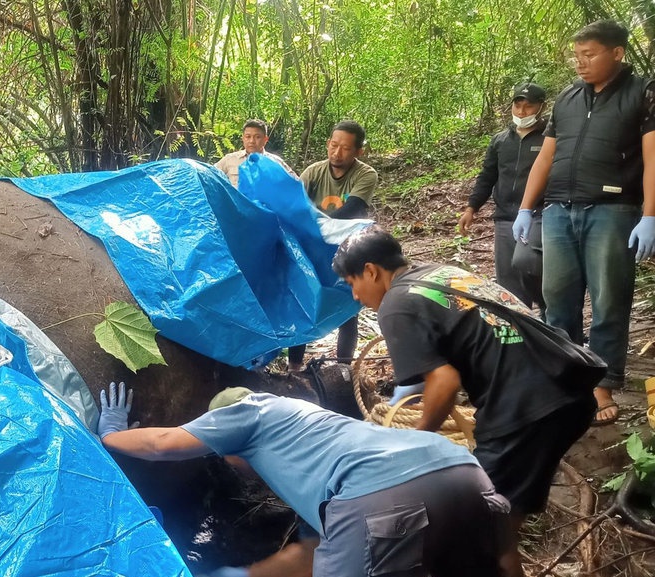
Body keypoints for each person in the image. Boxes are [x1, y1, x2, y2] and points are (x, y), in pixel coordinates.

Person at [332, 226, 598, 577]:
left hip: (526, 409)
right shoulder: (441, 272)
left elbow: (444, 381)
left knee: (475, 528)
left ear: (371, 271)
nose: (354, 295)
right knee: (499, 525)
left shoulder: (396, 304)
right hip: (570, 387)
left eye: (352, 283)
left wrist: (415, 441)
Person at [97, 382, 510, 577]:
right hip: (463, 472)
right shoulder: (315, 435)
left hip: (379, 496)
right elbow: (315, 551)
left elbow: (162, 444)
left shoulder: (249, 413)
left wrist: (110, 434)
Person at [512, 20, 655, 426]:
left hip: (612, 210)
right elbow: (546, 157)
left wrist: (650, 215)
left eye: (589, 54)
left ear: (617, 53)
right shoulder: (568, 98)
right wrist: (526, 207)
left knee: (609, 300)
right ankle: (566, 378)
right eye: (577, 56)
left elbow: (653, 157)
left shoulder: (642, 93)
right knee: (557, 299)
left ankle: (603, 383)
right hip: (558, 210)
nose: (581, 63)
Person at [289, 120, 378, 371]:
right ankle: (294, 368)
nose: (337, 153)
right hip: (312, 249)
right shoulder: (314, 172)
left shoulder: (365, 174)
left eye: (346, 148)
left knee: (348, 308)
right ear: (328, 144)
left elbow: (353, 208)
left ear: (359, 151)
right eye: (334, 145)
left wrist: (316, 227)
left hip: (348, 248)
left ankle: (342, 369)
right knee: (304, 303)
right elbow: (295, 204)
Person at [459, 83, 548, 313]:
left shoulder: (549, 138)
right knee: (508, 279)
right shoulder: (500, 140)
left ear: (541, 107)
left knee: (530, 264)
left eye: (529, 107)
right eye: (518, 105)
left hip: (538, 216)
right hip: (505, 217)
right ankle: (520, 324)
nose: (522, 112)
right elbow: (487, 175)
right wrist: (472, 207)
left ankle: (550, 314)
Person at [214, 119, 296, 187]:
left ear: (265, 140)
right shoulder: (230, 160)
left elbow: (296, 185)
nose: (252, 141)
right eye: (248, 137)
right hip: (235, 205)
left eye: (257, 137)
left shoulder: (276, 162)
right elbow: (210, 176)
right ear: (243, 138)